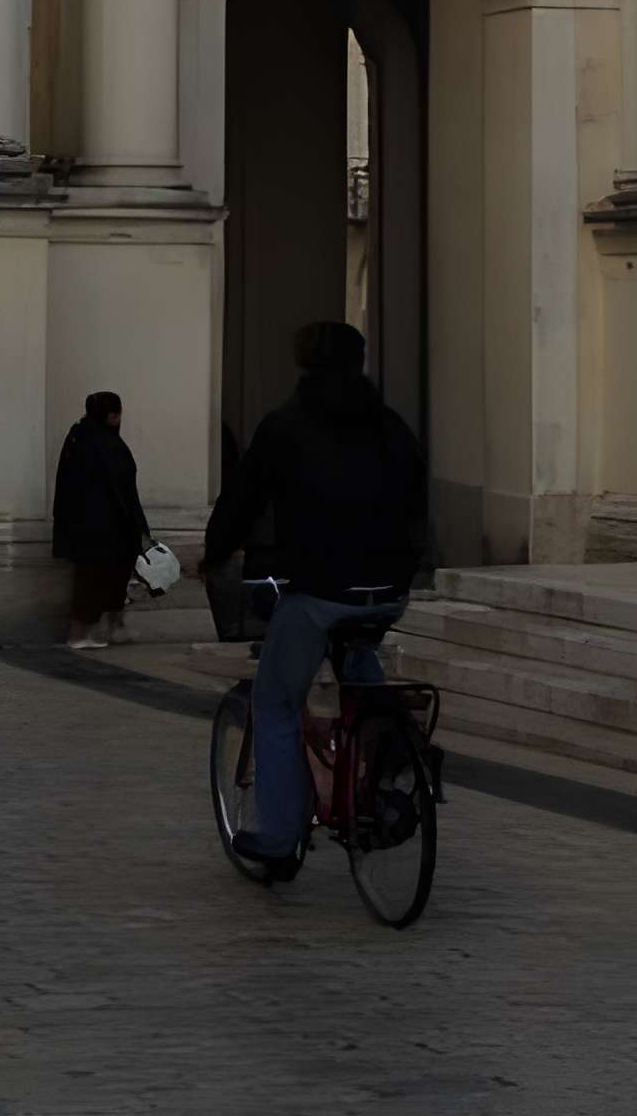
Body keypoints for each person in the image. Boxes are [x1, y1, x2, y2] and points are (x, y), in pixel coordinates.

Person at [201, 320, 428, 869]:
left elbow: (244, 500)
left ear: (304, 363)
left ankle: (279, 841)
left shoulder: (287, 426)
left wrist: (214, 553)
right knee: (358, 663)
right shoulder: (393, 426)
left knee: (276, 702)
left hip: (321, 590)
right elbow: (417, 504)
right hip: (389, 590)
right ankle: (384, 750)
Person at [51, 389, 150, 653]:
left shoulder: (79, 436)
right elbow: (124, 490)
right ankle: (81, 633)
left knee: (100, 579)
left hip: (83, 525)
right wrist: (140, 528)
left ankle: (113, 627)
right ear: (113, 416)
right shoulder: (107, 445)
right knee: (95, 581)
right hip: (106, 528)